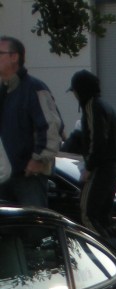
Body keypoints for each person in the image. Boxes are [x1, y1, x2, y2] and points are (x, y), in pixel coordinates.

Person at [0, 35, 62, 208]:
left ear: (15, 57)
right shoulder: (4, 91)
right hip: (6, 176)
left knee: (34, 227)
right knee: (8, 229)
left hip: (29, 177)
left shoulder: (34, 89)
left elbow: (51, 127)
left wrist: (38, 160)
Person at [68, 70, 116, 237]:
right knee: (103, 216)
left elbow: (97, 139)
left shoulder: (92, 106)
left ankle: (101, 252)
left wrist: (89, 167)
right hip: (114, 167)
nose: (75, 95)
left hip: (100, 168)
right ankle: (115, 248)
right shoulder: (107, 107)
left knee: (87, 214)